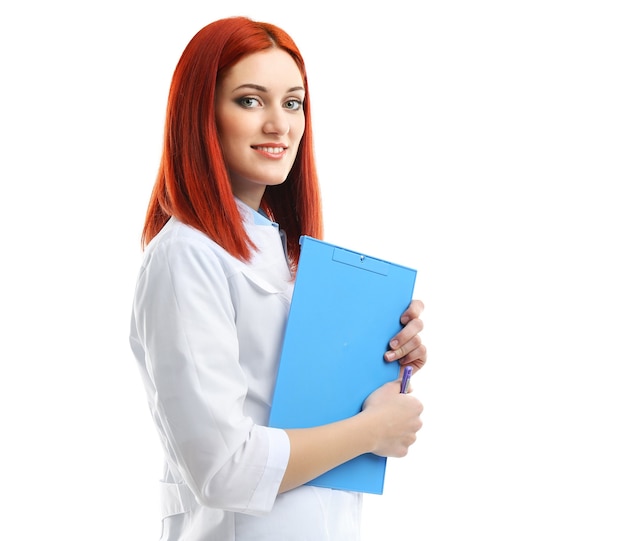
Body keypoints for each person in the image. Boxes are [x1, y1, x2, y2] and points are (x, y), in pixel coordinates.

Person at [129, 16, 427, 541]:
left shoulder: (285, 253)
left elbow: (294, 407)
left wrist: (382, 368)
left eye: (293, 103)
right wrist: (371, 431)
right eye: (249, 100)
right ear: (201, 115)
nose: (280, 125)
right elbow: (224, 470)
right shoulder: (185, 256)